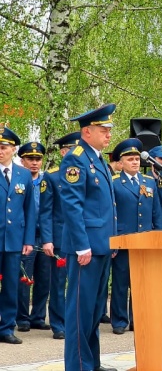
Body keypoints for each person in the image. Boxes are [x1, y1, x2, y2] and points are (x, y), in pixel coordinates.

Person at [59, 104, 118, 370]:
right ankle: (79, 365)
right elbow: (72, 205)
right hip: (86, 249)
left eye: (109, 130)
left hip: (102, 246)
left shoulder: (98, 158)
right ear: (87, 131)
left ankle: (91, 362)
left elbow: (107, 207)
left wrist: (113, 241)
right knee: (80, 313)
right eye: (103, 130)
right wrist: (82, 245)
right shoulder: (76, 158)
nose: (108, 135)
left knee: (94, 311)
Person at [109, 138, 162, 335]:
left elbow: (156, 212)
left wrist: (160, 238)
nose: (134, 162)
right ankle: (119, 320)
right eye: (130, 159)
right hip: (123, 240)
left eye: (136, 159)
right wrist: (113, 241)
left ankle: (138, 318)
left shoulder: (149, 181)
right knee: (121, 282)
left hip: (146, 240)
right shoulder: (115, 182)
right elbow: (111, 215)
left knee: (142, 282)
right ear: (121, 162)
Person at [39, 132, 80, 340]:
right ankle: (58, 324)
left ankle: (75, 321)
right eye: (71, 149)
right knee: (58, 283)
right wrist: (47, 239)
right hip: (59, 239)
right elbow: (45, 211)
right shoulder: (52, 176)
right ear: (63, 151)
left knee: (79, 282)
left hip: (81, 237)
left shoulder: (84, 173)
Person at [0, 126, 36, 346]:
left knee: (12, 285)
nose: (0, 151)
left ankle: (7, 328)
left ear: (13, 149)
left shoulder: (23, 173)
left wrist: (29, 240)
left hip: (14, 240)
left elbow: (30, 209)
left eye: (4, 147)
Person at [16, 142, 50, 334]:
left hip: (45, 236)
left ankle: (38, 316)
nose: (34, 163)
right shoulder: (19, 180)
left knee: (44, 278)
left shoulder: (47, 181)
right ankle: (22, 318)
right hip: (25, 237)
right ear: (22, 160)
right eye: (30, 159)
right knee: (24, 278)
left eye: (38, 159)